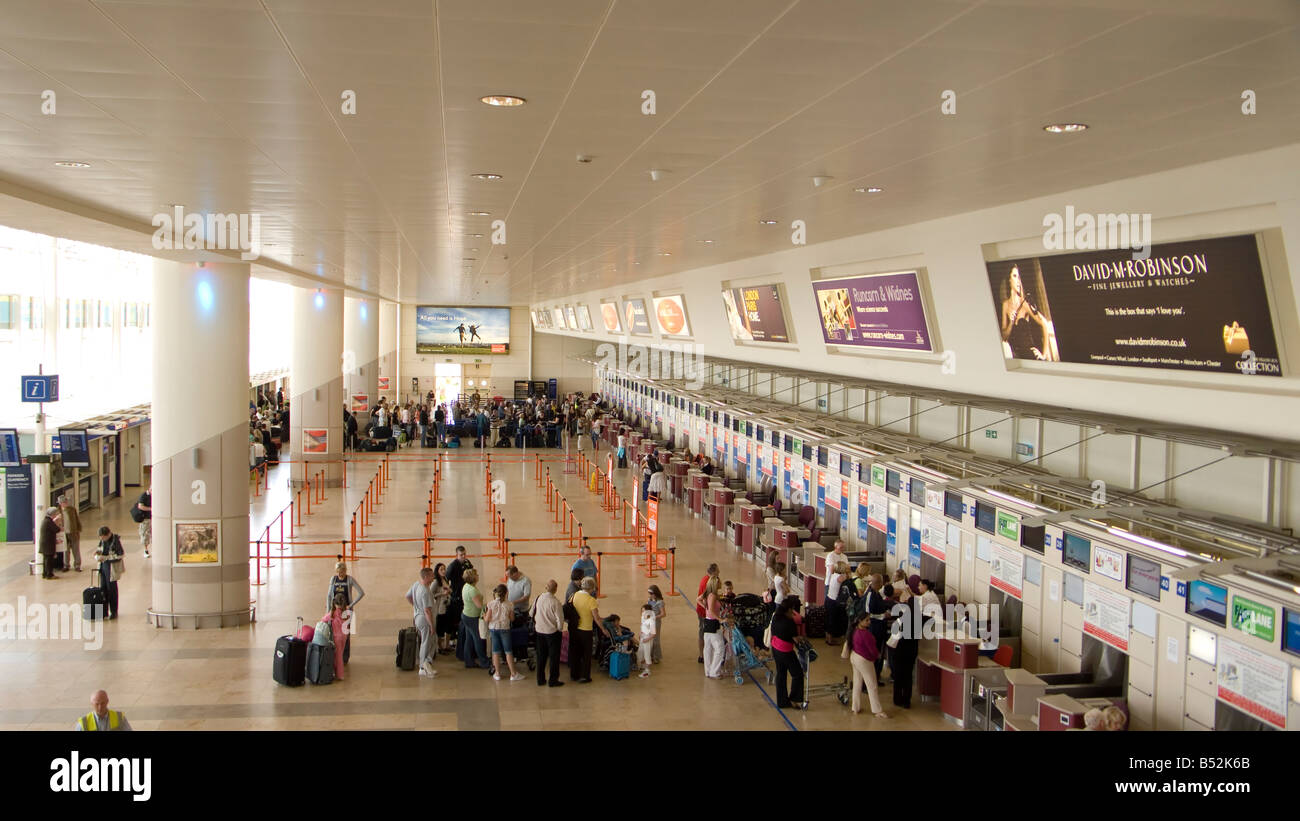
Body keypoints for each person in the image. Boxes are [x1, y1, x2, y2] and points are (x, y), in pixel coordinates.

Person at [997, 263, 1059, 361]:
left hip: (1031, 357)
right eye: (1014, 276)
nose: (1018, 280)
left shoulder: (1025, 303)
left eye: (1019, 277)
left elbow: (1044, 324)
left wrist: (1043, 355)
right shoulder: (1005, 305)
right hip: (1016, 358)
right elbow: (1004, 337)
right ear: (1009, 280)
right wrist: (1011, 323)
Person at [845, 613, 889, 718]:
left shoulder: (854, 631)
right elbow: (872, 650)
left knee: (857, 683)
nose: (869, 622)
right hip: (864, 660)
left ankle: (855, 707)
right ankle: (877, 710)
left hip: (854, 657)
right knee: (872, 685)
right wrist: (876, 656)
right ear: (860, 621)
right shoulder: (865, 634)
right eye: (867, 620)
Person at [770, 596, 807, 710]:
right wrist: (801, 638)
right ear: (790, 609)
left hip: (775, 648)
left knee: (781, 674)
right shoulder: (789, 622)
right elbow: (795, 639)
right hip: (785, 651)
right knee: (797, 674)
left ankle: (782, 701)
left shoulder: (776, 616)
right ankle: (794, 699)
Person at [568, 577, 608, 683]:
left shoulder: (575, 595)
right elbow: (597, 618)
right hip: (586, 629)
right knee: (586, 654)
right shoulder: (591, 600)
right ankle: (585, 676)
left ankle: (574, 674)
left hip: (575, 628)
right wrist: (603, 629)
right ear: (591, 588)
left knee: (575, 652)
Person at [326, 562, 365, 664]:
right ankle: (335, 655)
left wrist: (351, 605)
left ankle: (344, 657)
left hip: (346, 612)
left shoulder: (350, 580)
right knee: (334, 633)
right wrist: (329, 610)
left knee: (346, 635)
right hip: (335, 611)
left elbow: (361, 593)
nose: (341, 574)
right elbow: (329, 595)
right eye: (339, 572)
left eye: (342, 572)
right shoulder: (333, 580)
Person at [485, 584, 525, 681]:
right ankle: (513, 673)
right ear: (507, 593)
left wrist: (484, 615)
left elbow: (487, 619)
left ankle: (497, 673)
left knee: (495, 652)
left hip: (494, 629)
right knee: (508, 651)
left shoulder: (491, 604)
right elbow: (512, 618)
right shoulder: (510, 604)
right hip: (505, 629)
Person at [530, 580, 565, 687]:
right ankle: (553, 680)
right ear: (555, 589)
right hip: (552, 633)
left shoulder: (538, 598)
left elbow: (531, 613)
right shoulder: (555, 602)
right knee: (554, 657)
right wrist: (559, 629)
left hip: (539, 631)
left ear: (546, 587)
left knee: (541, 656)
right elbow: (560, 619)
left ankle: (540, 679)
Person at [405, 567, 438, 678]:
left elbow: (408, 596)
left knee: (429, 640)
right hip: (424, 619)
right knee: (426, 642)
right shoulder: (425, 591)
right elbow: (427, 611)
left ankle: (426, 663)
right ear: (426, 577)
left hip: (417, 616)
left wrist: (415, 607)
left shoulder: (416, 585)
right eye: (432, 576)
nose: (433, 578)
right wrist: (432, 626)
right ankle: (423, 666)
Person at [891, 597, 920, 709]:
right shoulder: (918, 618)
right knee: (908, 676)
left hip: (901, 650)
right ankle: (907, 700)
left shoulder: (904, 617)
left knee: (898, 676)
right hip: (912, 651)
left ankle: (897, 699)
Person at [458, 569, 490, 670]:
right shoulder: (472, 590)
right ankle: (484, 662)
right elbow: (479, 605)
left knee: (469, 639)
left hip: (466, 615)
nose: (478, 575)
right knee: (478, 639)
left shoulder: (467, 586)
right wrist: (488, 607)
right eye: (476, 574)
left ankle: (469, 661)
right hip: (472, 617)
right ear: (473, 578)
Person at [93, 526, 125, 620]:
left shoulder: (115, 541)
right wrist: (97, 555)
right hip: (103, 566)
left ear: (108, 534)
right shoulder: (102, 541)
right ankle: (104, 611)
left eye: (103, 537)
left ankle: (114, 611)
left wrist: (107, 557)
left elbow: (120, 554)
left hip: (111, 567)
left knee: (112, 589)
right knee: (103, 588)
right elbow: (99, 549)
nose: (102, 539)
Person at [699, 578, 726, 679]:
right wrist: (720, 619)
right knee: (720, 648)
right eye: (719, 582)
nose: (721, 583)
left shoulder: (707, 594)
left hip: (707, 622)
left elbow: (698, 599)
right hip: (713, 623)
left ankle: (708, 670)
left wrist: (705, 607)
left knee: (708, 648)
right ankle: (715, 671)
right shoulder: (713, 596)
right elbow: (710, 610)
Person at [447, 545, 472, 646]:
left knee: (463, 616)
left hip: (465, 595)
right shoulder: (452, 566)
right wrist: (449, 590)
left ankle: (462, 636)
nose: (463, 556)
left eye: (464, 554)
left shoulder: (467, 563)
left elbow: (472, 573)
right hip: (456, 596)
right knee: (455, 618)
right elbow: (446, 578)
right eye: (461, 555)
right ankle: (453, 638)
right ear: (456, 555)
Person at [696, 562, 720, 664]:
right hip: (703, 613)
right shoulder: (708, 582)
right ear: (714, 572)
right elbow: (703, 598)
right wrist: (707, 608)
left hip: (704, 611)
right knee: (704, 633)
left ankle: (705, 654)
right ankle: (702, 655)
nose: (719, 572)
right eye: (718, 571)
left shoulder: (705, 578)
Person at [320, 595, 349, 681]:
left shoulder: (333, 613)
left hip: (336, 637)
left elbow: (323, 620)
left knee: (338, 656)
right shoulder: (346, 612)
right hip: (344, 636)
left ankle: (340, 674)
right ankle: (338, 672)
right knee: (341, 653)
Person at [826, 561, 852, 645]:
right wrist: (848, 572)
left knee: (829, 619)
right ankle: (830, 639)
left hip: (829, 599)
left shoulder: (834, 575)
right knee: (833, 621)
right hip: (834, 601)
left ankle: (828, 637)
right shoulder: (840, 577)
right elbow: (849, 578)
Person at [430, 563, 453, 653]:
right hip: (440, 608)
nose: (444, 571)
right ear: (437, 571)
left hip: (447, 606)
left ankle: (446, 645)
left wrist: (449, 591)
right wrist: (442, 594)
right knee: (440, 628)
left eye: (444, 569)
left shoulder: (446, 579)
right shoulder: (436, 582)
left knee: (448, 627)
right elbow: (431, 594)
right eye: (441, 569)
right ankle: (440, 647)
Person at [58, 494, 83, 572]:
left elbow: (77, 519)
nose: (66, 503)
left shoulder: (72, 509)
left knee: (76, 549)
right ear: (60, 503)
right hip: (64, 533)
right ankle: (66, 565)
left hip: (73, 532)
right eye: (64, 502)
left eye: (66, 501)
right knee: (66, 550)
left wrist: (79, 529)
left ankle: (77, 565)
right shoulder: (58, 511)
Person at [646, 584, 667, 663]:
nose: (650, 595)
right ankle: (650, 655)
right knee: (649, 638)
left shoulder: (660, 602)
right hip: (649, 622)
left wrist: (655, 617)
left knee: (655, 640)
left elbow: (663, 614)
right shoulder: (649, 600)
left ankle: (656, 656)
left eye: (651, 594)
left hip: (655, 623)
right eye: (649, 594)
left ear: (655, 593)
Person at [38, 507, 60, 579]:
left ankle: (45, 573)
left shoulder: (45, 520)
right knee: (49, 560)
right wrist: (56, 521)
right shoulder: (49, 521)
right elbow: (57, 529)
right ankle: (49, 574)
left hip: (45, 544)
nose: (56, 515)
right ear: (52, 514)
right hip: (48, 544)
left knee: (46, 560)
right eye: (55, 514)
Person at [638, 604, 657, 677]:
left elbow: (653, 634)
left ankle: (647, 671)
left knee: (647, 655)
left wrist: (646, 639)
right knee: (641, 652)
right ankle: (643, 667)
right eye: (642, 611)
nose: (643, 612)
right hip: (643, 638)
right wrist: (640, 633)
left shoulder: (651, 620)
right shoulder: (643, 618)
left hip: (647, 640)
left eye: (644, 611)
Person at [134, 487, 152, 558]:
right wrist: (150, 509)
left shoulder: (155, 495)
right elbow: (140, 506)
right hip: (146, 519)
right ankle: (145, 550)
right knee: (145, 534)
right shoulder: (144, 495)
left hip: (152, 518)